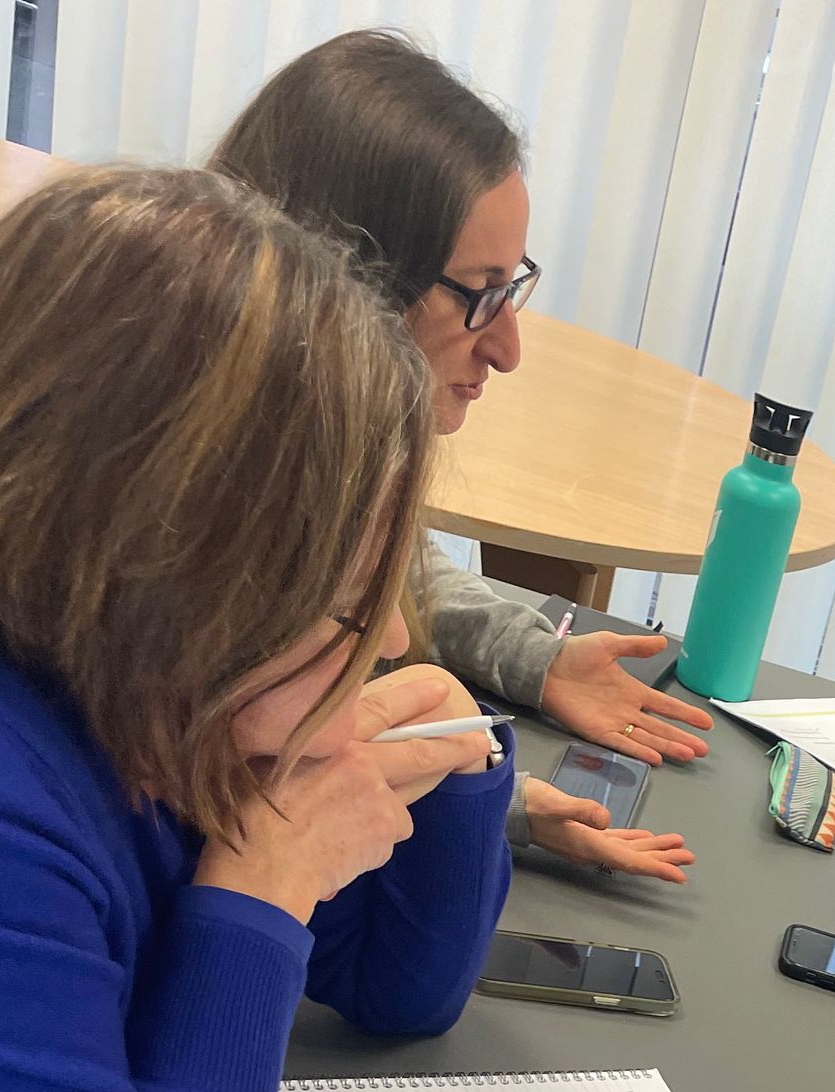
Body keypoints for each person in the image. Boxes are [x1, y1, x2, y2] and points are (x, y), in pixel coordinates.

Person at [0, 165, 515, 1092]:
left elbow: (394, 993)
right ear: (174, 585)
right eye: (350, 603)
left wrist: (450, 773)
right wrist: (261, 896)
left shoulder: (153, 700)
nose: (391, 640)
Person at [211, 31, 709, 888]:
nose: (509, 349)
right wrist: (492, 797)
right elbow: (248, 807)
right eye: (482, 293)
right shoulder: (206, 562)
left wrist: (537, 662)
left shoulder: (306, 468)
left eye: (514, 286)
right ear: (348, 279)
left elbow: (398, 575)